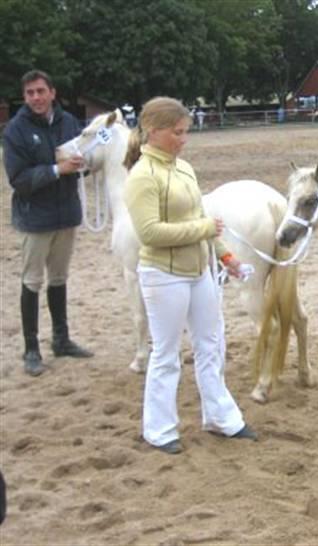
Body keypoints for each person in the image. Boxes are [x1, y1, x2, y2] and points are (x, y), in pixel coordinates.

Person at [123, 96, 256, 454]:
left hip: (200, 271)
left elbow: (205, 224)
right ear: (154, 131)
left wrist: (227, 257)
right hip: (163, 274)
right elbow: (150, 233)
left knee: (212, 345)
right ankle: (159, 429)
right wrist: (202, 229)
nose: (183, 139)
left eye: (185, 132)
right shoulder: (141, 177)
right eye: (177, 133)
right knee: (166, 354)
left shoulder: (184, 169)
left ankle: (221, 417)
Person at [2, 69, 94, 377]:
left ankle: (61, 339)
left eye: (41, 91)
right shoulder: (15, 131)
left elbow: (82, 158)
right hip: (35, 218)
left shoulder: (68, 122)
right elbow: (19, 179)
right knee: (32, 281)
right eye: (30, 93)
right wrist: (58, 169)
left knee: (59, 278)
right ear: (25, 97)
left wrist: (85, 165)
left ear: (52, 92)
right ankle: (31, 348)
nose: (36, 98)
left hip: (66, 214)